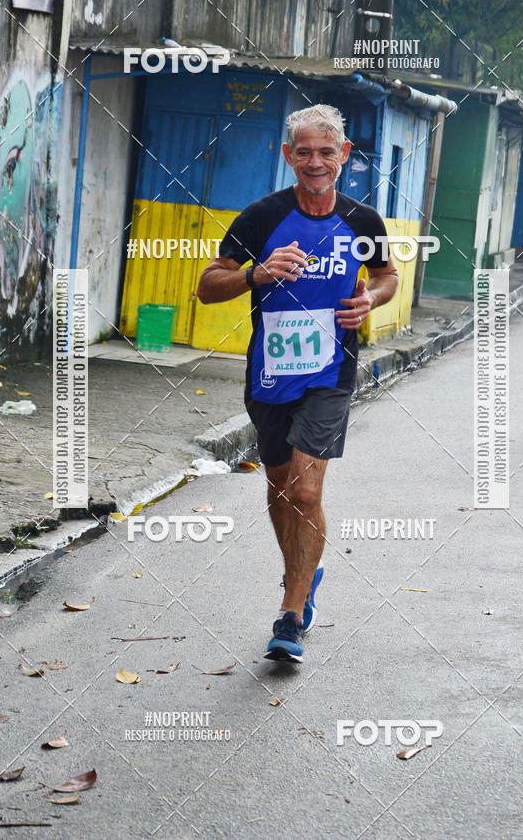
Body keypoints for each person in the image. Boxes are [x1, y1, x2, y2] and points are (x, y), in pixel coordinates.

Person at [197, 104, 399, 662]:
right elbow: (207, 287)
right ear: (288, 156)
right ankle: (305, 574)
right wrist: (254, 274)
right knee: (282, 489)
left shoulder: (362, 220)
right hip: (269, 376)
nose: (315, 162)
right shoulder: (262, 217)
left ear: (344, 157)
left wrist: (369, 301)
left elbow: (386, 276)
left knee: (307, 490)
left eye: (326, 152)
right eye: (304, 152)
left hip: (331, 374)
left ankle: (291, 613)